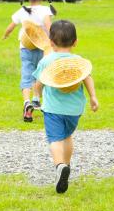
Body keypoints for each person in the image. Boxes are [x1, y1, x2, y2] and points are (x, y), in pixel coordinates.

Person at [33, 20, 98, 194]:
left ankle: (60, 166)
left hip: (53, 109)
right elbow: (88, 78)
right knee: (67, 136)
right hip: (74, 110)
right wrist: (93, 97)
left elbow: (38, 84)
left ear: (51, 43)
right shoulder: (78, 62)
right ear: (75, 42)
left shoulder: (47, 61)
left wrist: (35, 98)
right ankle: (67, 165)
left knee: (55, 139)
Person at [2, 0, 57, 122]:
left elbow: (11, 26)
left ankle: (27, 102)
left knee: (27, 76)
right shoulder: (45, 10)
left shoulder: (22, 11)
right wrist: (54, 39)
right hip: (42, 48)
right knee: (42, 74)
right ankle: (37, 98)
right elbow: (49, 25)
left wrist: (6, 35)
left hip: (25, 48)